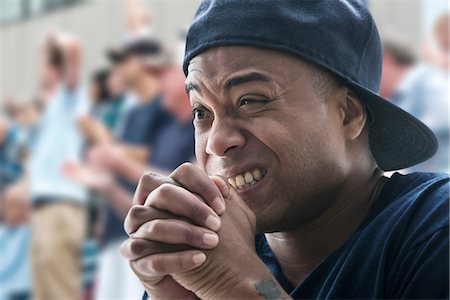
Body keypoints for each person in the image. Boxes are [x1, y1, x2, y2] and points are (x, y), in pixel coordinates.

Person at [120, 1, 449, 299]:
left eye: (251, 100)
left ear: (347, 114)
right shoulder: (208, 259)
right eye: (201, 113)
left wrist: (234, 287)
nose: (216, 141)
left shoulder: (433, 230)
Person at [28, 34, 90, 300]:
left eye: (42, 64)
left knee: (61, 291)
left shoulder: (69, 99)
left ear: (54, 69)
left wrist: (52, 42)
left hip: (60, 207)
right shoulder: (50, 110)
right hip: (43, 211)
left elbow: (73, 49)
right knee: (43, 293)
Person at [380, 36, 449, 173]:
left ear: (386, 60)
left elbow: (446, 115)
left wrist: (406, 134)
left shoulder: (426, 79)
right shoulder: (398, 96)